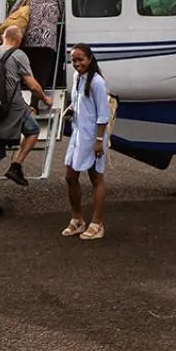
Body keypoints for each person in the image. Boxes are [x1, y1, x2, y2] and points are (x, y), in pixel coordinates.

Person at [0, 24, 53, 218]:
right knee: (33, 131)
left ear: (3, 37)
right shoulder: (18, 55)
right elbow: (31, 85)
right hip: (13, 108)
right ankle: (16, 166)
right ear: (19, 40)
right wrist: (45, 99)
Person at [61, 43, 111, 241]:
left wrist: (99, 140)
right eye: (73, 60)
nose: (77, 63)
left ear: (90, 59)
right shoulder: (77, 78)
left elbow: (103, 114)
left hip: (93, 137)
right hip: (78, 134)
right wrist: (72, 108)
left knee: (96, 177)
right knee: (70, 176)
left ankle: (97, 223)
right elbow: (80, 100)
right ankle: (77, 219)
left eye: (80, 59)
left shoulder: (97, 82)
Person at [7, 0, 64, 94]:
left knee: (27, 71)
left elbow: (13, 12)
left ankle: (29, 98)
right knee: (42, 73)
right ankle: (37, 100)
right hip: (49, 41)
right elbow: (61, 14)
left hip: (30, 40)